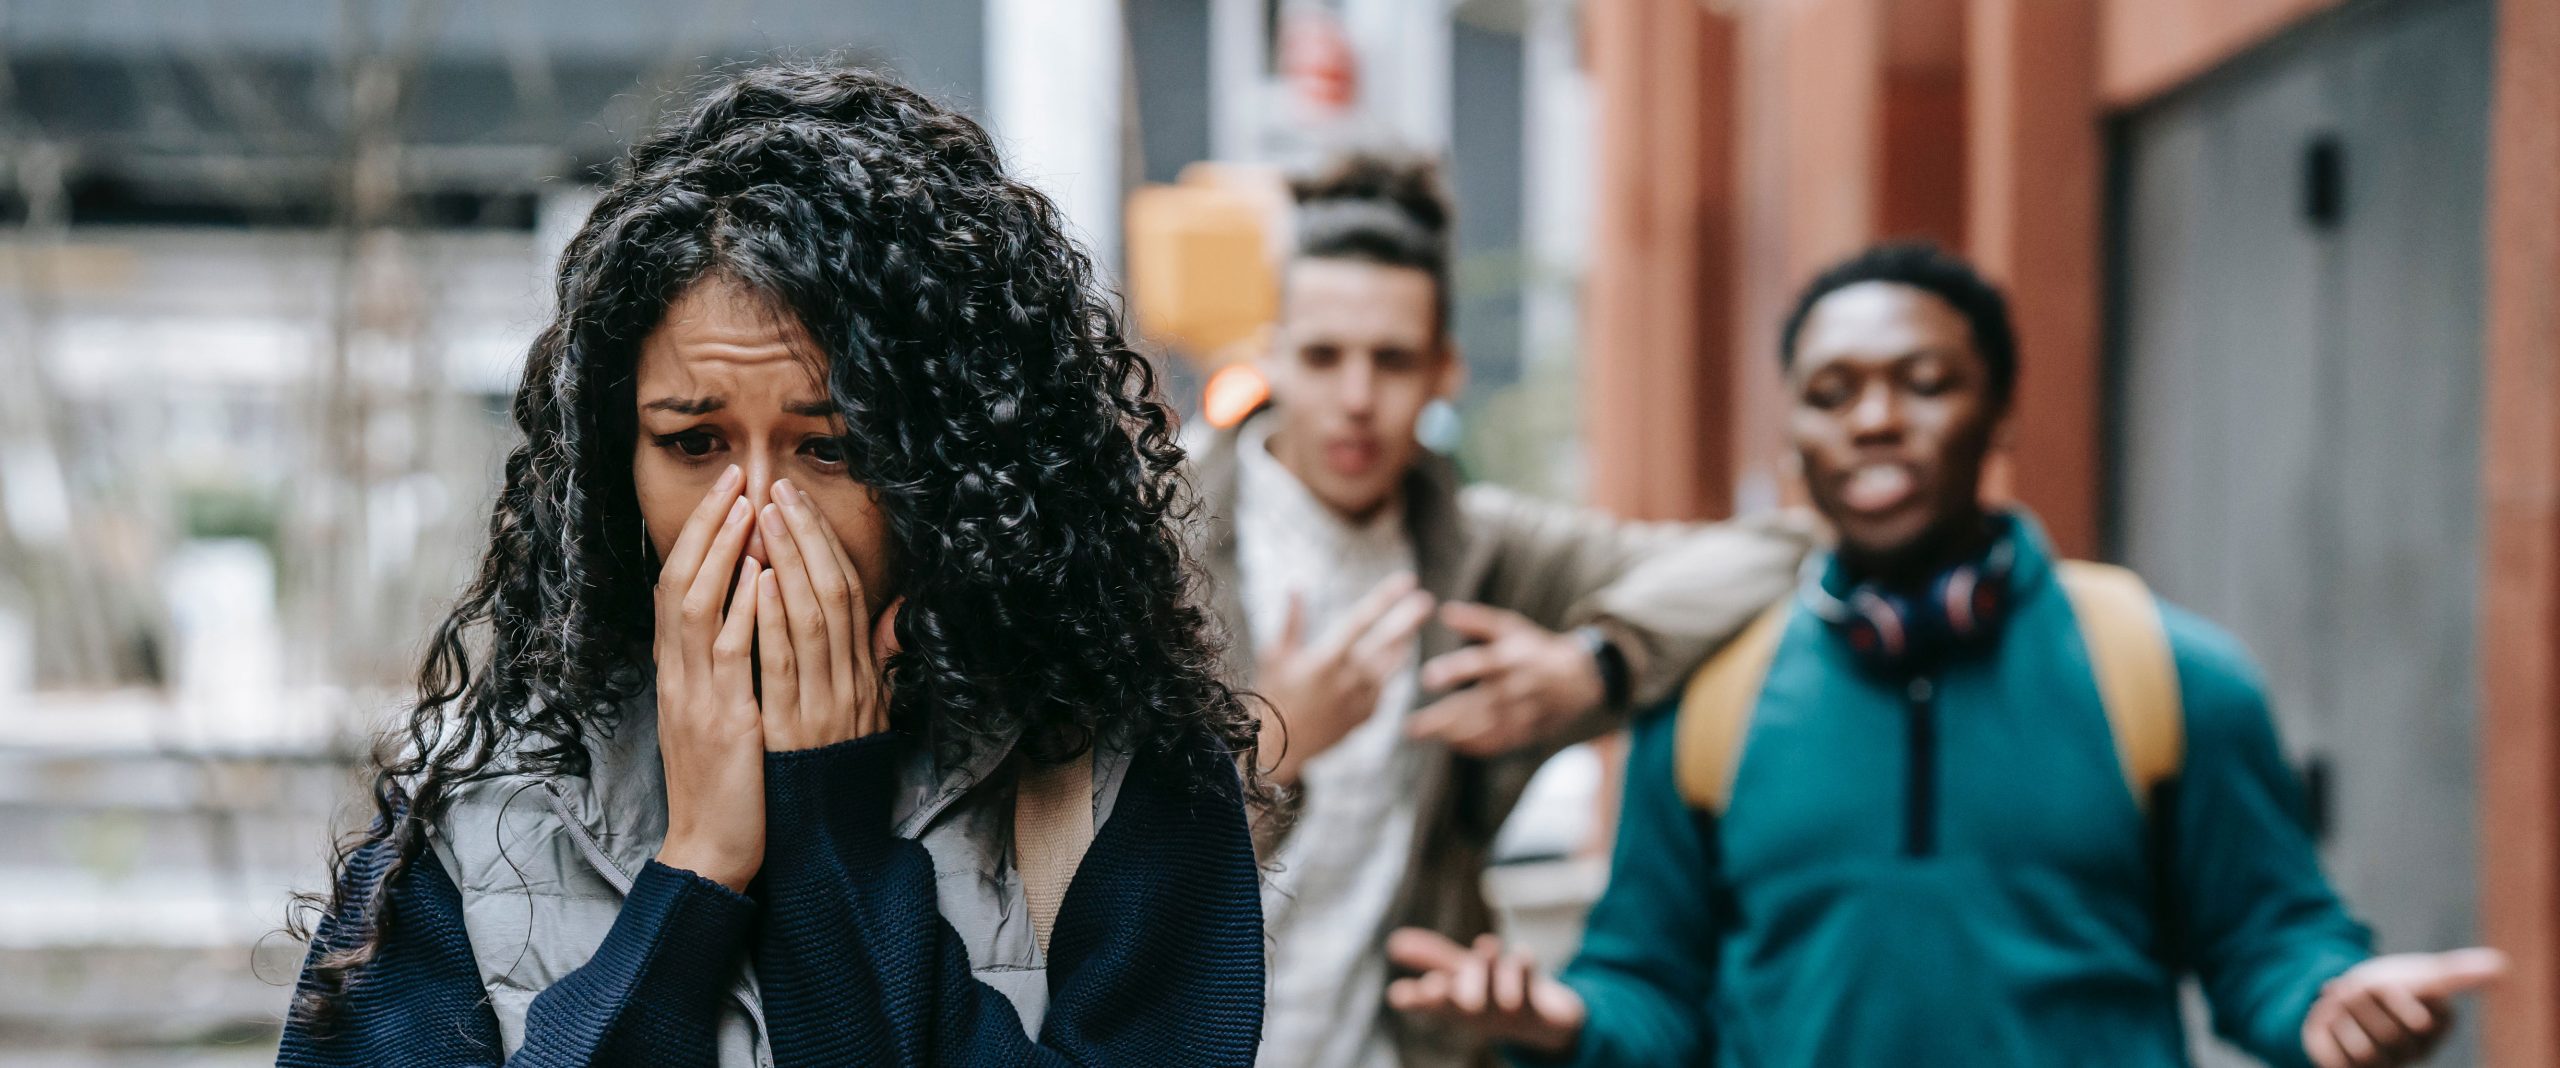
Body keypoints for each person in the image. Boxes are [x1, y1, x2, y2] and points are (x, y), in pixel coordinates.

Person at [276, 65, 1263, 1067]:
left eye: (831, 449)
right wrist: (696, 868)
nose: (754, 518)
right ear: (621, 463)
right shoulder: (478, 809)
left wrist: (829, 826)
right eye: (694, 444)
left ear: (949, 465)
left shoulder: (1114, 784)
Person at [1383, 242, 2506, 1068]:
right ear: (1794, 442)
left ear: (1999, 411)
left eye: (1923, 383)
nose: (1874, 420)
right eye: (1832, 395)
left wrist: (2326, 1001)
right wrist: (1563, 1024)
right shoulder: (1711, 698)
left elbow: (2270, 935)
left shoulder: (2167, 676)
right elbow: (1648, 984)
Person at [1192, 152, 1811, 1068]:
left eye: (1393, 360)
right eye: (1325, 357)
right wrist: (1267, 750)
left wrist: (1596, 664)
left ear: (1447, 370)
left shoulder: (1483, 552)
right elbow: (1070, 874)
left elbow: (1791, 550)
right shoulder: (1156, 549)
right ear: (1274, 355)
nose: (1357, 399)